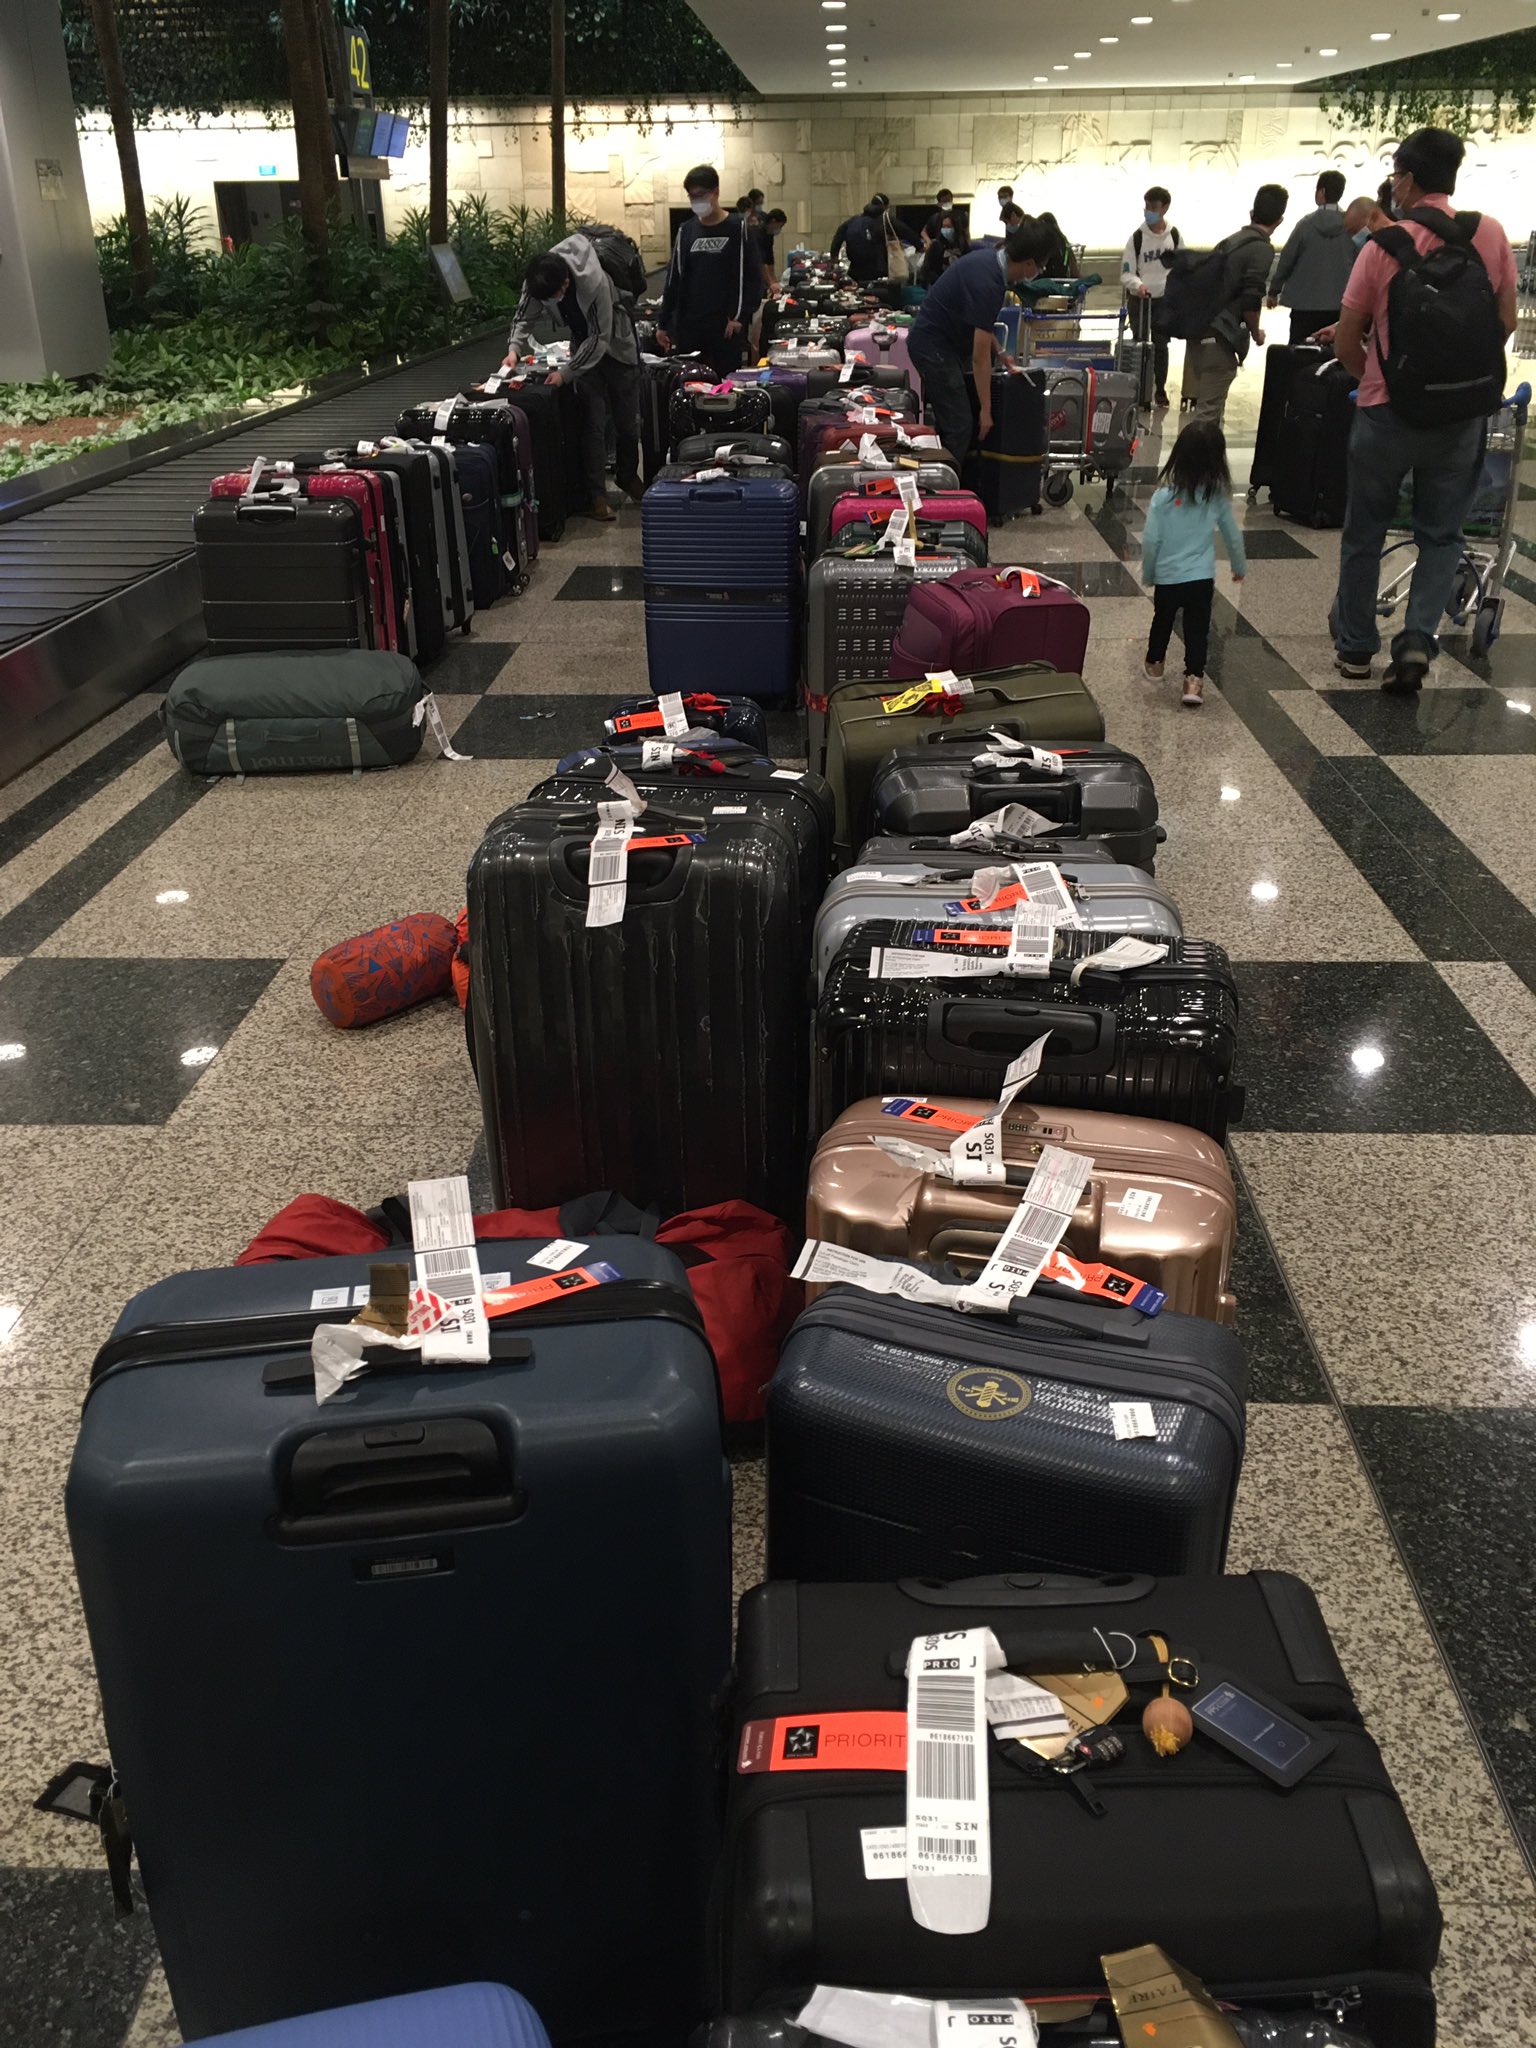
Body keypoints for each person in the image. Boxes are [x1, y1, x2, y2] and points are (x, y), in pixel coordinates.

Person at [1329, 125, 1517, 693]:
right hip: (1460, 419)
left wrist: (1379, 382)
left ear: (1406, 180)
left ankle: (1357, 648)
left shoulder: (1380, 249)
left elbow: (1345, 341)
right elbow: (1503, 322)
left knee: (1365, 532)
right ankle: (1415, 642)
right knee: (1442, 534)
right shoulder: (1490, 234)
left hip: (1387, 416)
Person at [504, 234, 643, 522]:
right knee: (592, 423)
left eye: (557, 295)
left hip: (616, 344)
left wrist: (566, 373)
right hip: (583, 348)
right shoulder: (539, 281)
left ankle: (628, 476)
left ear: (566, 283)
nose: (554, 301)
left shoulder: (594, 282)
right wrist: (513, 350)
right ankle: (597, 496)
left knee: (627, 422)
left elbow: (599, 338)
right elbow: (523, 317)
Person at [907, 215, 1057, 464]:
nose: (1038, 273)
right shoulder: (990, 282)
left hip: (941, 343)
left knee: (956, 417)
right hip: (932, 347)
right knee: (960, 425)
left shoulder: (989, 261)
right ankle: (945, 492)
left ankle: (947, 476)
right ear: (1029, 263)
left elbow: (981, 324)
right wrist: (987, 411)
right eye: (1040, 268)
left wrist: (999, 352)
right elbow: (979, 359)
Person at [1139, 419, 1247, 709]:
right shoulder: (1217, 498)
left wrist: (1149, 572)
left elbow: (1151, 541)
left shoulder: (1163, 498)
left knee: (1161, 621)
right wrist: (1239, 566)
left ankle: (1155, 663)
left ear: (1178, 456)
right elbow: (1232, 536)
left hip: (1168, 577)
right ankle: (1194, 681)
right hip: (1201, 579)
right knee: (1197, 629)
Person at [1184, 183, 1288, 428]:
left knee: (1210, 410)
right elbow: (1252, 298)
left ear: (1252, 213)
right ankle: (1195, 464)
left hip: (1201, 330)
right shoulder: (1260, 250)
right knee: (1208, 415)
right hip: (1220, 336)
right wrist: (1256, 333)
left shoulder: (1230, 241)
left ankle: (1207, 463)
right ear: (1280, 220)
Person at [656, 163, 764, 378]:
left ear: (716, 193)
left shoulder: (738, 228)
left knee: (725, 386)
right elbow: (674, 279)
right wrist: (663, 323)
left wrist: (740, 316)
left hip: (725, 326)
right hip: (690, 324)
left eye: (701, 195)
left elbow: (752, 276)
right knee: (690, 384)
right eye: (691, 196)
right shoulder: (686, 230)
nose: (697, 200)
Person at [1266, 169, 1356, 342]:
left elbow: (1287, 258)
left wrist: (1274, 290)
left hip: (1304, 304)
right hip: (1340, 304)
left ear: (1321, 192)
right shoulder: (1351, 225)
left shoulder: (1306, 224)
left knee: (1300, 352)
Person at [1121, 184, 1179, 406]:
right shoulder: (1137, 238)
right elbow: (1127, 271)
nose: (1148, 211)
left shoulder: (1173, 235)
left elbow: (1181, 265)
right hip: (1140, 301)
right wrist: (1138, 285)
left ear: (1164, 208)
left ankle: (1160, 389)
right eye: (1146, 206)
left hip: (1164, 302)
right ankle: (1140, 390)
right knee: (1141, 345)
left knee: (1161, 346)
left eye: (1153, 207)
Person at [831, 194, 894, 283]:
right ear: (884, 207)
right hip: (877, 269)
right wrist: (919, 246)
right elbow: (904, 230)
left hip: (855, 269)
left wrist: (834, 256)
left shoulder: (853, 220)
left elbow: (838, 236)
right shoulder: (884, 220)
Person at [918, 209, 968, 286]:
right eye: (943, 227)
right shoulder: (936, 246)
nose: (945, 229)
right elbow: (928, 270)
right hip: (939, 284)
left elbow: (967, 264)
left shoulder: (962, 244)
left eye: (949, 227)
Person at [1037, 212, 1078, 279]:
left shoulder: (1047, 240)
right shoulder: (1064, 240)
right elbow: (1074, 270)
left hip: (1048, 279)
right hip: (1063, 278)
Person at [755, 207, 787, 294]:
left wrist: (775, 281)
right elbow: (760, 261)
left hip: (762, 267)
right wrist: (770, 283)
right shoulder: (758, 233)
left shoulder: (769, 235)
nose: (779, 229)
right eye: (780, 226)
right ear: (773, 221)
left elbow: (769, 259)